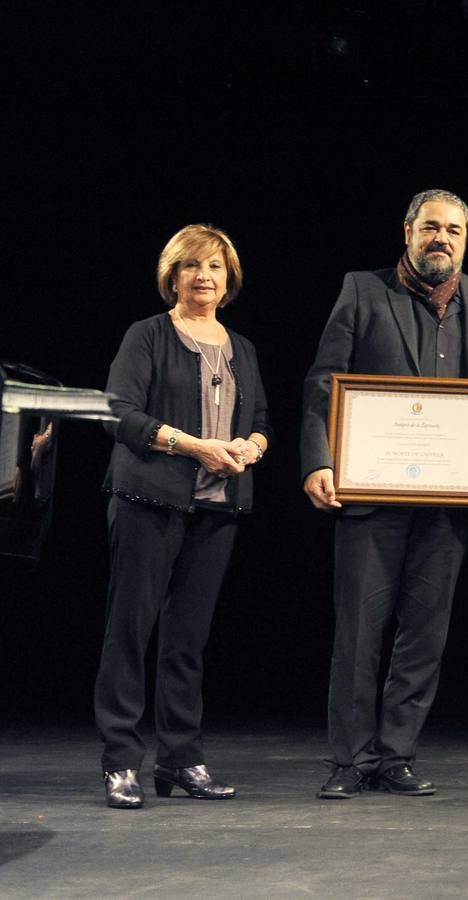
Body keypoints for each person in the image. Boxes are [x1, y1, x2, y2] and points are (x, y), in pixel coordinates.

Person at [301, 189, 468, 800]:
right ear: (407, 231)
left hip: (450, 499)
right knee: (360, 631)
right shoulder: (362, 290)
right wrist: (318, 460)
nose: (441, 238)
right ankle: (349, 760)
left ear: (466, 240)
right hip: (371, 493)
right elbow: (323, 381)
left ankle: (396, 755)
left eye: (453, 230)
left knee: (425, 632)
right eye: (430, 227)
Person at [98, 224, 271, 809]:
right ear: (171, 275)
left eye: (216, 267)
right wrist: (196, 445)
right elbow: (120, 413)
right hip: (148, 500)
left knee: (186, 642)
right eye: (192, 266)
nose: (204, 277)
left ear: (230, 278)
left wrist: (251, 447)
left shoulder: (240, 346)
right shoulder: (147, 335)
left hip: (216, 508)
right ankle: (121, 762)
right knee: (131, 631)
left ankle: (180, 759)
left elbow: (262, 418)